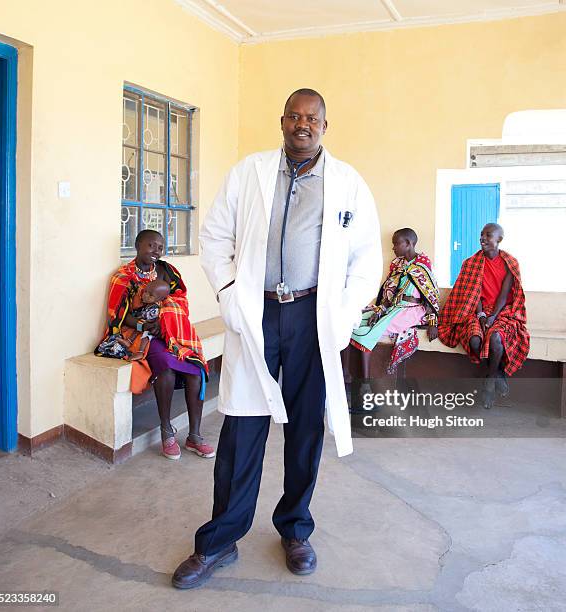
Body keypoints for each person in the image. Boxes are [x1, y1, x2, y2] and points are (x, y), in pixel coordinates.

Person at [172, 88, 382, 589]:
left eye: (312, 118)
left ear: (325, 126)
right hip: (256, 310)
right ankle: (219, 541)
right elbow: (216, 237)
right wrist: (227, 294)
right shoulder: (250, 172)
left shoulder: (348, 183)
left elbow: (366, 259)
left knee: (306, 428)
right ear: (282, 121)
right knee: (242, 425)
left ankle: (295, 528)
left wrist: (342, 313)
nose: (302, 124)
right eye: (294, 115)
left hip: (313, 315)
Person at [96, 230, 215, 460]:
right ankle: (166, 431)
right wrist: (147, 327)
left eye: (160, 247)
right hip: (140, 334)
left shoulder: (167, 271)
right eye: (151, 245)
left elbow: (181, 299)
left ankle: (195, 436)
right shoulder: (124, 277)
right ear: (137, 245)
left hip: (172, 331)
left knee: (196, 370)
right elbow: (118, 316)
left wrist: (167, 319)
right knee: (167, 370)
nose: (156, 251)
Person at [438, 223, 530, 409]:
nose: (483, 238)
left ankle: (489, 382)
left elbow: (504, 295)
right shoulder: (471, 263)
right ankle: (496, 373)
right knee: (474, 339)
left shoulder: (509, 263)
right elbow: (474, 293)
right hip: (477, 309)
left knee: (495, 338)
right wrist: (481, 314)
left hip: (503, 311)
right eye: (481, 234)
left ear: (499, 240)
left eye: (488, 235)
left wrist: (493, 316)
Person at [349, 228, 439, 406]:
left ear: (409, 244)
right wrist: (380, 310)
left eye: (396, 244)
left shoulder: (421, 267)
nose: (393, 248)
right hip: (395, 307)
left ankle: (365, 384)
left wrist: (432, 323)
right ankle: (355, 378)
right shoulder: (398, 266)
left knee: (369, 331)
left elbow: (431, 296)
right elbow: (389, 293)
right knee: (356, 321)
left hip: (413, 310)